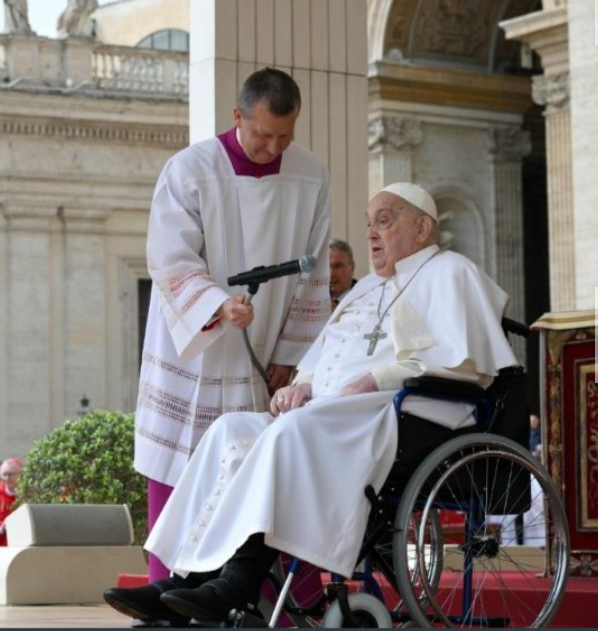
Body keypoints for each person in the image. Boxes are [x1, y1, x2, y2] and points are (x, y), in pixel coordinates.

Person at [105, 183, 517, 625]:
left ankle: (238, 582)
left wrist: (376, 378)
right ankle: (184, 577)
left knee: (289, 433)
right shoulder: (366, 288)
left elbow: (465, 366)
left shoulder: (452, 272)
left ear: (422, 228)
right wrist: (301, 384)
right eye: (368, 224)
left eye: (384, 221)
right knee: (230, 430)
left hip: (404, 413)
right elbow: (324, 353)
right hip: (332, 414)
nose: (371, 233)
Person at [136, 67, 331, 581]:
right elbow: (169, 257)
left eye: (285, 136)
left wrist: (291, 356)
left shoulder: (310, 174)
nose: (273, 148)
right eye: (263, 134)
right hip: (195, 351)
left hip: (263, 355)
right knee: (183, 468)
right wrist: (218, 305)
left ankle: (258, 599)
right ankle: (169, 594)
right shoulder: (190, 169)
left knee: (260, 477)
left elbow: (314, 271)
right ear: (237, 116)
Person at [329, 238, 357, 308]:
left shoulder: (366, 297)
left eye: (338, 266)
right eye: (325, 267)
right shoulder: (311, 300)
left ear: (352, 267)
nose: (331, 274)